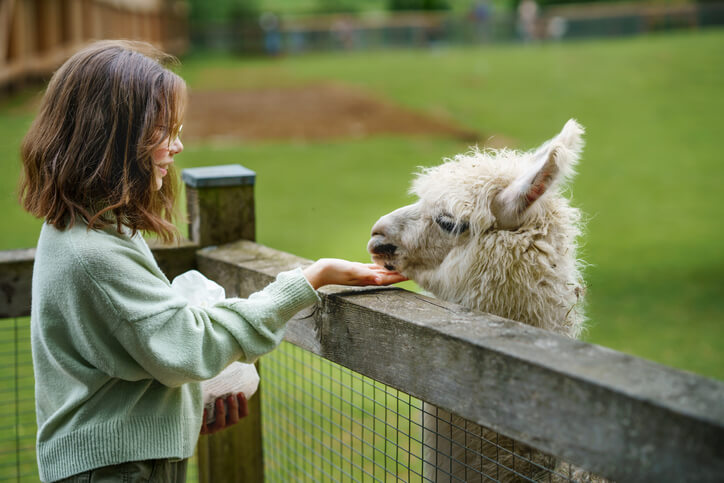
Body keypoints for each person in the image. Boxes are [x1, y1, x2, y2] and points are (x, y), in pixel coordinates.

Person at [19, 40, 406, 483]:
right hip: (117, 471)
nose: (178, 145)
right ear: (112, 136)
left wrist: (184, 406)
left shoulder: (80, 230)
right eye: (163, 130)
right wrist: (307, 279)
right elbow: (190, 348)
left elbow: (132, 352)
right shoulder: (93, 253)